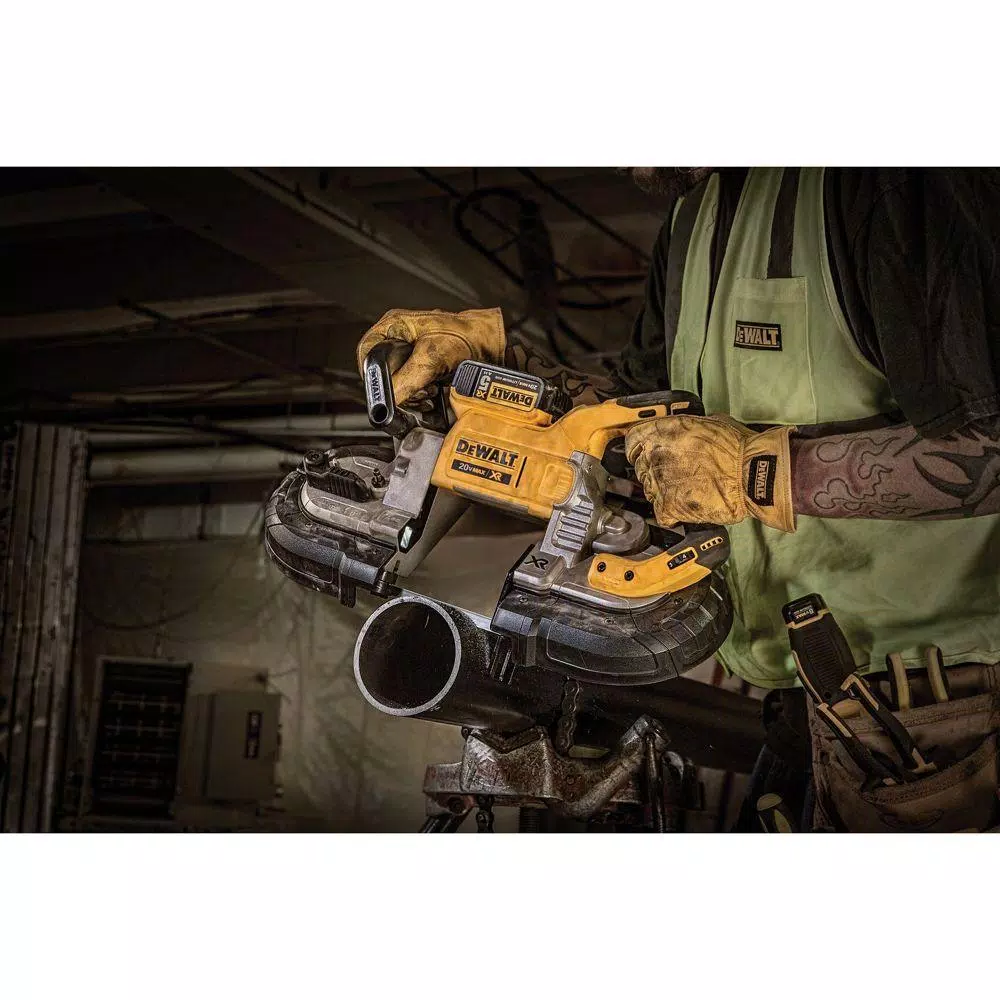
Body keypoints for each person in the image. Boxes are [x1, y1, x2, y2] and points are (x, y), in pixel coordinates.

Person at [356, 168, 1000, 832]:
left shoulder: (896, 180)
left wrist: (762, 473)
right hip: (804, 696)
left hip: (944, 709)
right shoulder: (693, 212)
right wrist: (494, 372)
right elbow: (632, 414)